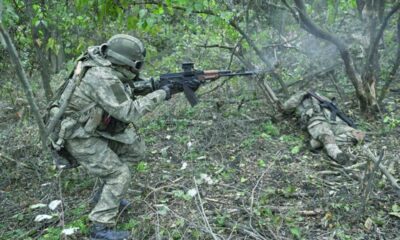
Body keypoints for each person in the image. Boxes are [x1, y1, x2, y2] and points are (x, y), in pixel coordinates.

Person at [47, 34, 200, 240]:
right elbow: (129, 112)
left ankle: (106, 197)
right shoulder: (102, 76)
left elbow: (126, 88)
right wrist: (163, 92)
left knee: (135, 150)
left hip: (91, 127)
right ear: (127, 62)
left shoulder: (105, 64)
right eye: (136, 65)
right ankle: (100, 228)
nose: (138, 69)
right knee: (118, 175)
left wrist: (158, 84)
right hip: (77, 135)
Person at [282, 90, 365, 164]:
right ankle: (338, 155)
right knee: (326, 134)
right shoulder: (299, 97)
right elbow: (286, 108)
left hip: (334, 122)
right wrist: (302, 94)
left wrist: (351, 129)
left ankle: (317, 143)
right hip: (316, 120)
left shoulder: (318, 95)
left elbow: (332, 107)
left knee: (358, 134)